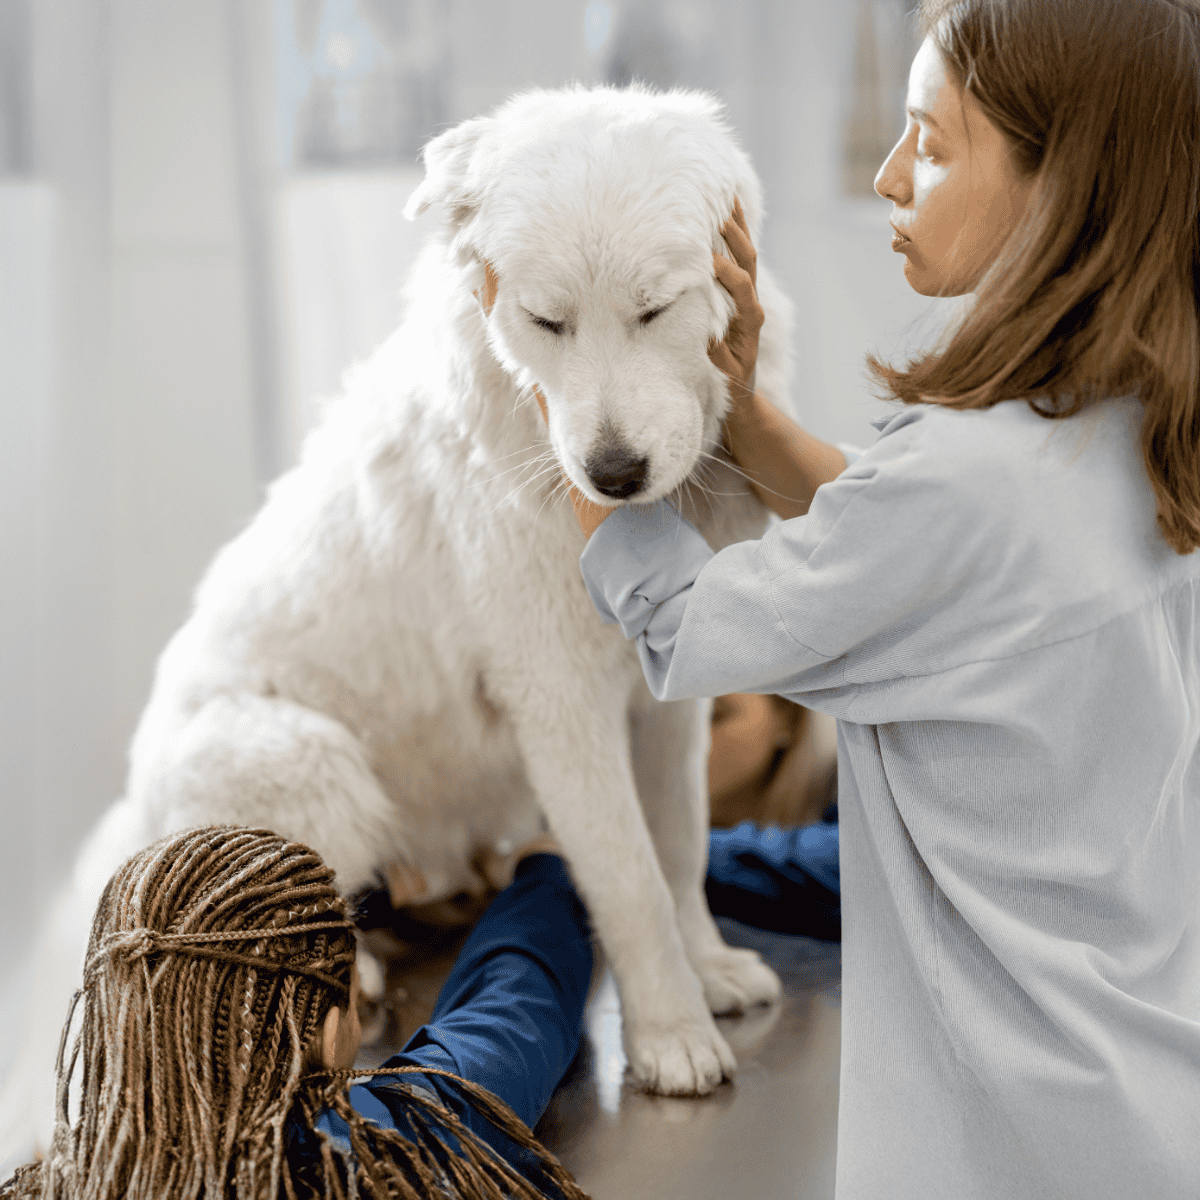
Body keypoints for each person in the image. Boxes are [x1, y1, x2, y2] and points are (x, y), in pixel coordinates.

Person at [539, 0, 1200, 1196]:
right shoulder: (1129, 433)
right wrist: (752, 423)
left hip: (1004, 1138)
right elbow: (950, 575)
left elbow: (686, 621)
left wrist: (579, 405)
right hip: (1149, 1093)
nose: (892, 176)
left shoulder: (963, 486)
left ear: (1068, 188)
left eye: (933, 144)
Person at [0, 819, 841, 1200]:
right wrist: (548, 870)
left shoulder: (50, 1178)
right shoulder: (382, 1142)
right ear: (333, 1022)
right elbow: (513, 1005)